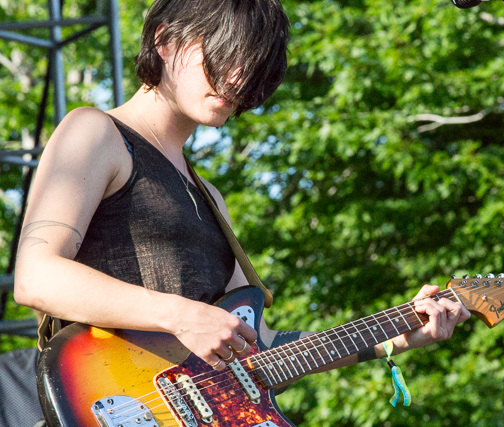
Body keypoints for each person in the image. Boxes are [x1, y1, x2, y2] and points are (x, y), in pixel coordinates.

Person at [14, 0, 469, 406]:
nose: (236, 78)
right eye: (224, 57)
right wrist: (181, 315)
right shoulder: (96, 133)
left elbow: (259, 349)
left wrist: (396, 336)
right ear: (165, 39)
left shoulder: (210, 197)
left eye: (251, 68)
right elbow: (36, 277)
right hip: (112, 402)